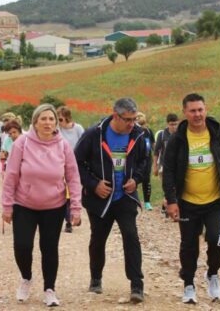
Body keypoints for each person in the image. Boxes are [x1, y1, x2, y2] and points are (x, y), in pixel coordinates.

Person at [162, 93, 220, 304]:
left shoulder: (216, 132)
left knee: (216, 239)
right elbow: (168, 170)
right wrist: (171, 201)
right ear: (185, 113)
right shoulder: (178, 138)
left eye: (200, 110)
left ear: (205, 110)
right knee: (189, 245)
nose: (197, 114)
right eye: (193, 110)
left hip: (216, 201)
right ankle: (188, 284)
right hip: (188, 203)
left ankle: (212, 274)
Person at [2, 104, 82, 307]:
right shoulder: (22, 142)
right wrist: (7, 206)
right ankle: (26, 278)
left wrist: (75, 207)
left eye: (51, 119)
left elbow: (73, 177)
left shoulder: (63, 145)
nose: (48, 123)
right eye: (43, 119)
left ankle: (49, 289)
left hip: (53, 206)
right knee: (22, 245)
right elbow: (11, 176)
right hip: (24, 204)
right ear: (35, 122)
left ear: (56, 122)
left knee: (49, 248)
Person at [75, 97, 147, 304]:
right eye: (128, 119)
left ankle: (136, 285)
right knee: (98, 238)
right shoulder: (93, 135)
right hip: (100, 198)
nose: (132, 124)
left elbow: (144, 161)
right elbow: (76, 163)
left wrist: (136, 179)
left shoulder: (138, 135)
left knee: (131, 237)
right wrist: (93, 184)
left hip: (125, 197)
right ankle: (96, 278)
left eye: (134, 119)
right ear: (115, 116)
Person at [57, 106, 85, 233]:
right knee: (64, 194)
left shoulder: (78, 128)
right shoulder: (57, 129)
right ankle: (68, 220)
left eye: (61, 119)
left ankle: (74, 214)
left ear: (67, 117)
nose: (59, 121)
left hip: (75, 164)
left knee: (73, 192)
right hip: (60, 164)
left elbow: (84, 144)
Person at [153, 113, 179, 216]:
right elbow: (156, 152)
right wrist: (154, 166)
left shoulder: (181, 134)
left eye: (176, 124)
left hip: (178, 166)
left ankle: (171, 206)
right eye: (172, 124)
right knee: (167, 186)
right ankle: (166, 206)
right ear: (167, 124)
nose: (174, 127)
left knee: (176, 187)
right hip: (164, 166)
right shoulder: (162, 135)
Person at [135, 112, 155, 211]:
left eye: (143, 124)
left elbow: (153, 144)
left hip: (147, 159)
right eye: (140, 124)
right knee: (135, 179)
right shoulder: (134, 132)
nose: (142, 126)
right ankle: (134, 200)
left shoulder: (148, 131)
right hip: (137, 159)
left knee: (147, 180)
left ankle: (147, 202)